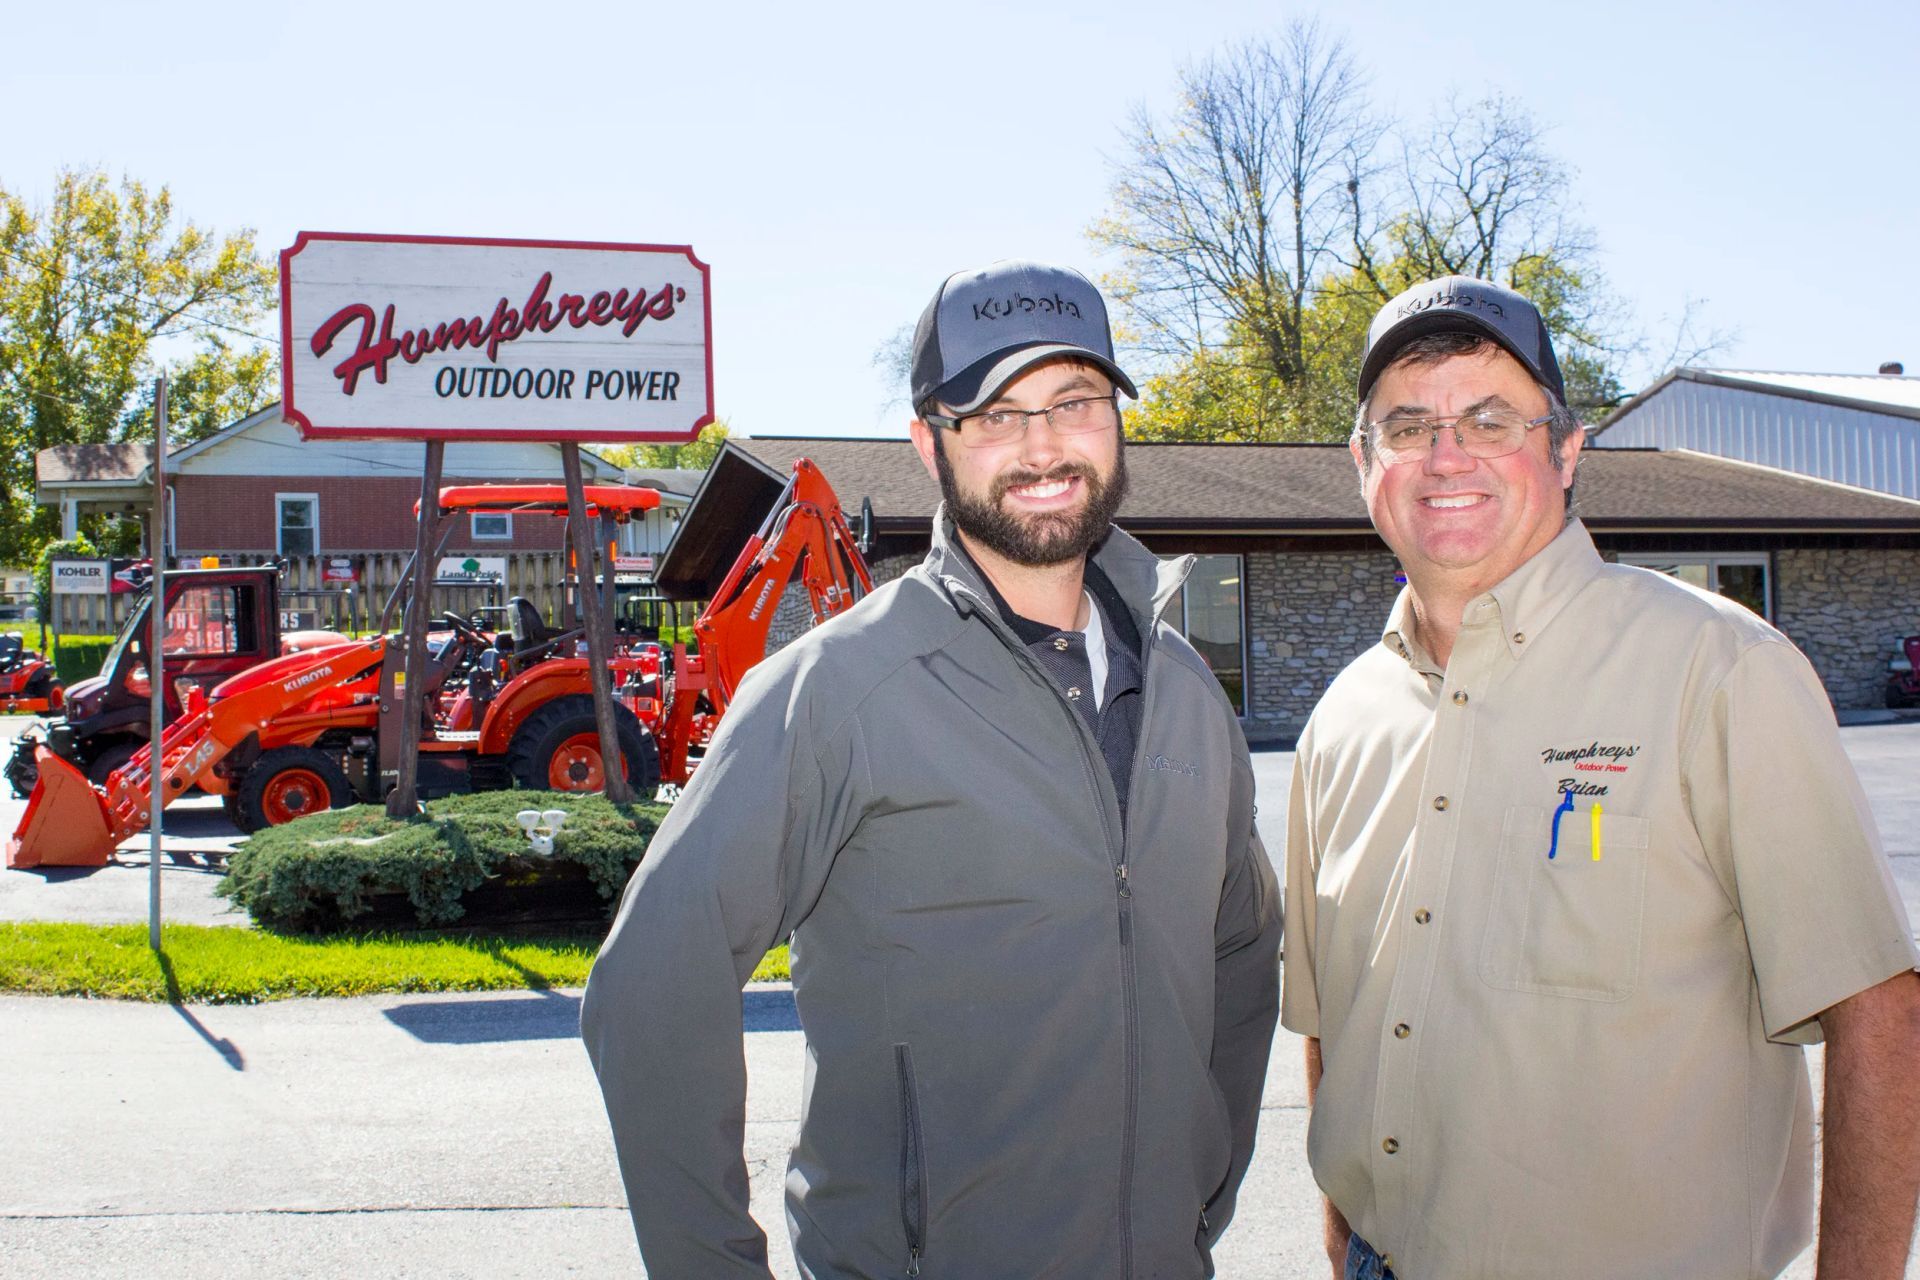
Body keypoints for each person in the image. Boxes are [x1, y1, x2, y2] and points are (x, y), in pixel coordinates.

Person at [583, 259, 1280, 1278]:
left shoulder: (1184, 689)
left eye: (1074, 401)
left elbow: (1240, 954)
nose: (1042, 444)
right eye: (994, 414)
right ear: (929, 443)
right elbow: (651, 982)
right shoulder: (838, 685)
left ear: (1117, 420)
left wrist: (1193, 1204)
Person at [1283, 275, 1920, 1280]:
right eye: (1407, 424)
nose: (1446, 455)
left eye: (1491, 418)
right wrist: (1341, 1230)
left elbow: (1876, 1008)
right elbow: (1337, 1017)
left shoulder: (1717, 670)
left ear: (1567, 451)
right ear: (1364, 463)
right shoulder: (1341, 720)